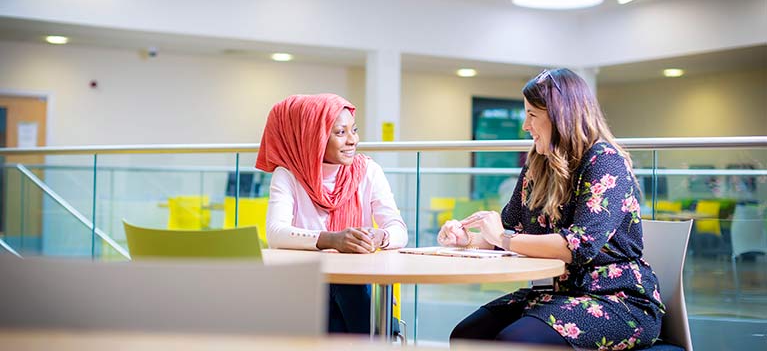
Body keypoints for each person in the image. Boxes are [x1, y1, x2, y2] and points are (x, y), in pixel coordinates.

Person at [439, 69, 663, 350]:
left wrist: (502, 238)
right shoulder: (537, 163)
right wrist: (469, 240)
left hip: (617, 300)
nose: (525, 126)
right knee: (466, 335)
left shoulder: (605, 161)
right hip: (555, 294)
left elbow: (579, 247)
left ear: (561, 116)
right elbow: (513, 232)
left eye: (532, 115)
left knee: (515, 342)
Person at [256, 93, 408, 334]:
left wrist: (379, 236)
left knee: (347, 291)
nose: (352, 140)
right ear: (312, 137)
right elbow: (276, 233)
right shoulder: (288, 176)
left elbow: (398, 229)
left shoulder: (369, 171)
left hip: (354, 287)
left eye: (354, 130)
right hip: (305, 286)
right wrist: (334, 239)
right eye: (340, 132)